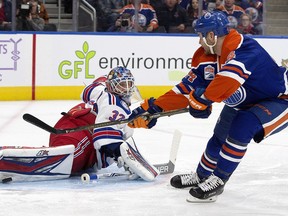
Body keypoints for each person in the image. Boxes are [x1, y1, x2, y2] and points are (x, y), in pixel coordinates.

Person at [128, 11, 288, 202]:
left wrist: (203, 99)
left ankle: (219, 180)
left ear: (211, 35)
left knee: (243, 126)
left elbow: (228, 80)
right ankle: (202, 175)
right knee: (219, 136)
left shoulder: (245, 48)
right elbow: (185, 89)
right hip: (245, 102)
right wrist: (154, 108)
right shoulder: (209, 57)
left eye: (200, 36)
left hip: (279, 100)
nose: (199, 41)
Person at [49, 66, 159, 181]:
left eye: (128, 84)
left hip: (69, 124)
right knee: (69, 160)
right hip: (78, 135)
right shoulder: (113, 106)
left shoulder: (100, 88)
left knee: (71, 158)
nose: (126, 89)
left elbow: (87, 91)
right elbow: (105, 138)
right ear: (111, 85)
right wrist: (119, 154)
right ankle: (39, 159)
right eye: (121, 85)